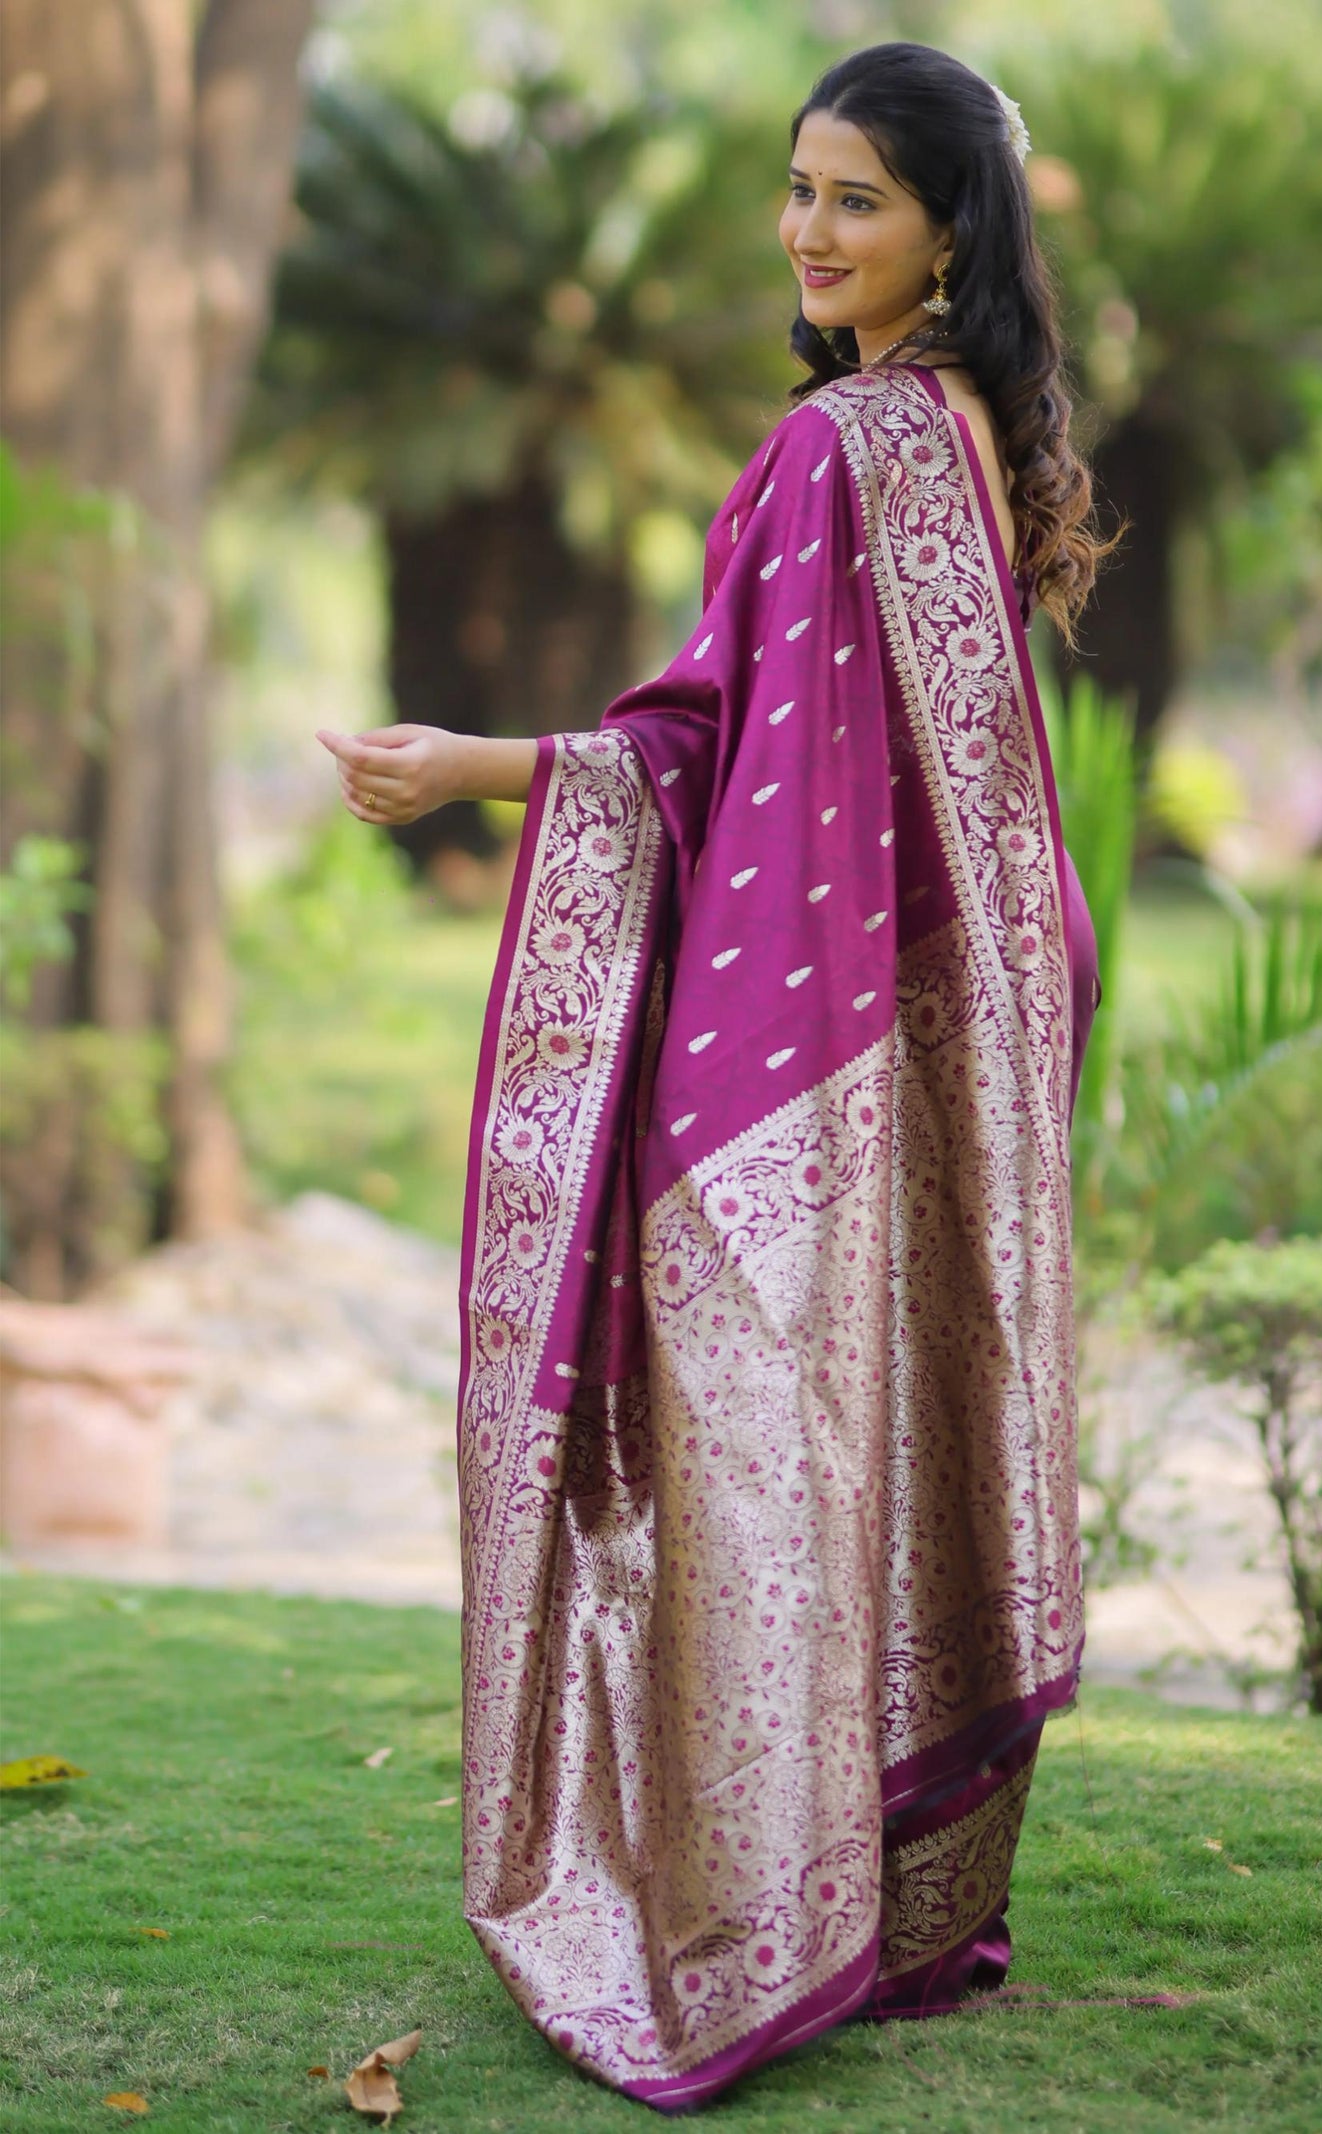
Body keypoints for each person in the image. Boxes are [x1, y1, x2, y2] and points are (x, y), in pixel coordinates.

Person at [316, 40, 1109, 2112]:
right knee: (872, 1426)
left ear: (950, 225)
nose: (807, 230)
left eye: (852, 196)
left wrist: (474, 770)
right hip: (920, 1039)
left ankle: (767, 1904)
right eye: (794, 190)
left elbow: (700, 749)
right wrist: (489, 764)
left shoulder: (857, 445)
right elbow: (776, 757)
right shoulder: (949, 432)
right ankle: (880, 1898)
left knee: (768, 1442)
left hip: (797, 1049)